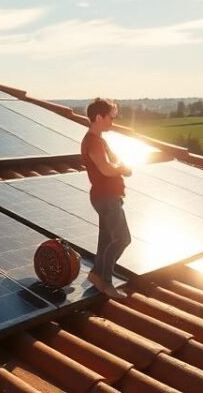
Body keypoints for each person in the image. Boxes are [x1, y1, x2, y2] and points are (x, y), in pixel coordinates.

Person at [82, 97, 132, 299]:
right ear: (98, 117)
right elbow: (106, 168)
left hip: (108, 197)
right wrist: (121, 169)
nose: (113, 122)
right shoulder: (93, 142)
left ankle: (96, 274)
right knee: (122, 239)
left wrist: (119, 165)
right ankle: (106, 282)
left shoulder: (100, 140)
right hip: (106, 198)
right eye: (110, 118)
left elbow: (115, 160)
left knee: (105, 240)